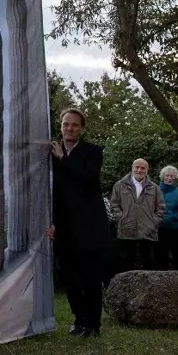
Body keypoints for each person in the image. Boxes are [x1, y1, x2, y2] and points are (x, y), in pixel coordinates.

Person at [46, 108, 111, 338]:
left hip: (90, 226)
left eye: (74, 125)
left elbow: (88, 178)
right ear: (61, 125)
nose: (69, 128)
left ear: (82, 128)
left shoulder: (92, 152)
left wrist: (63, 160)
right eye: (65, 124)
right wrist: (51, 223)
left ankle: (93, 324)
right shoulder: (53, 153)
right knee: (70, 277)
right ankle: (79, 320)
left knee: (91, 278)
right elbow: (51, 191)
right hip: (64, 227)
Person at [110, 159, 165, 271]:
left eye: (143, 168)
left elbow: (161, 207)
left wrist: (154, 221)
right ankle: (126, 288)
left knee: (149, 263)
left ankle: (148, 288)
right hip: (126, 230)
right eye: (137, 167)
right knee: (125, 263)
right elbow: (114, 204)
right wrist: (121, 218)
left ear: (147, 170)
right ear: (132, 168)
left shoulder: (154, 188)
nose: (139, 170)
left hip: (148, 231)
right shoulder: (120, 185)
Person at [156, 165, 178, 270]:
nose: (169, 178)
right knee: (160, 259)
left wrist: (173, 217)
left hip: (176, 229)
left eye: (172, 176)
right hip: (159, 229)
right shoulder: (155, 190)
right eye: (167, 175)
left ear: (175, 178)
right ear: (163, 177)